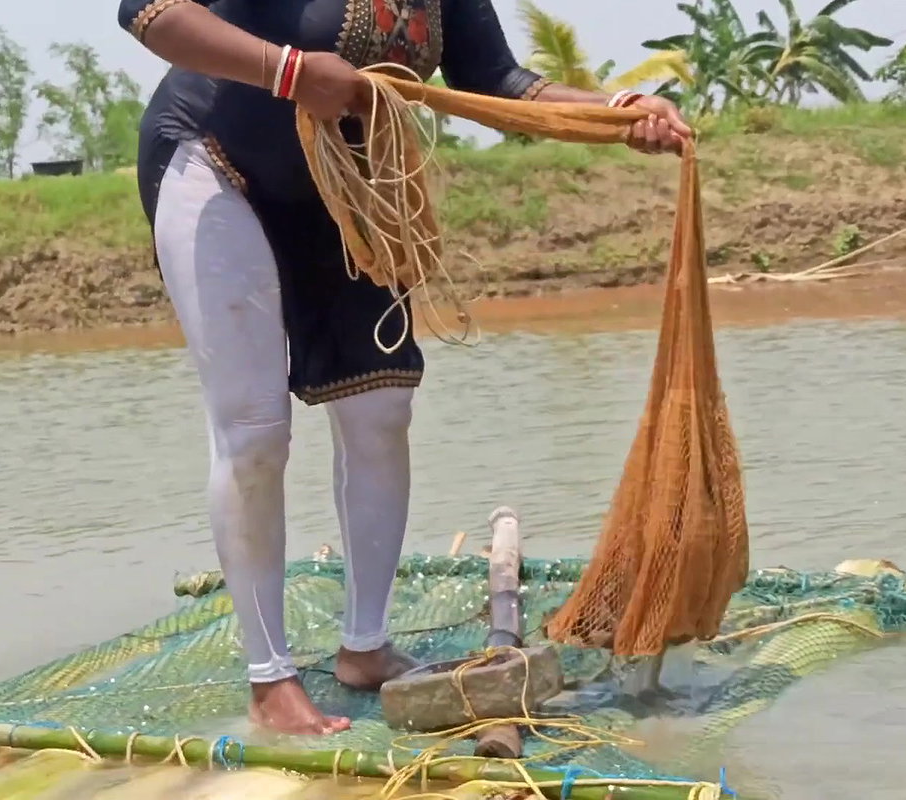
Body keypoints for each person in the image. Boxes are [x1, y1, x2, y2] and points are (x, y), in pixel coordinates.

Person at [115, 0, 691, 736]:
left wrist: (616, 110)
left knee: (381, 412)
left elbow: (504, 85)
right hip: (212, 164)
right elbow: (150, 13)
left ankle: (364, 646)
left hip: (353, 183)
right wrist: (289, 72)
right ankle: (270, 680)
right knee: (256, 432)